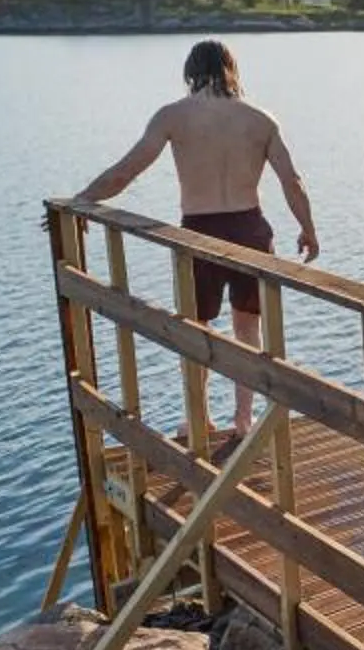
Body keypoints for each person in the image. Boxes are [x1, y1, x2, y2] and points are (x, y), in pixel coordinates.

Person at [76, 39, 318, 441]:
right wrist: (308, 229)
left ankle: (199, 419)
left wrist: (83, 199)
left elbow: (126, 171)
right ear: (232, 70)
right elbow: (291, 181)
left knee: (196, 328)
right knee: (248, 330)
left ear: (190, 72)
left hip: (199, 233)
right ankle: (244, 419)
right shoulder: (260, 120)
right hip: (249, 231)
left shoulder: (173, 116)